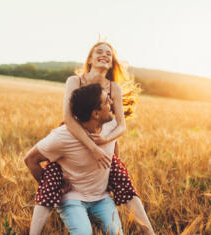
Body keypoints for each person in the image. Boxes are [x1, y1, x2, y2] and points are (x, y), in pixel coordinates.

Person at [27, 42, 155, 234]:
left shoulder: (114, 89)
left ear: (112, 63)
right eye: (99, 52)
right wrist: (93, 148)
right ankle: (47, 214)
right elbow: (68, 119)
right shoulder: (75, 81)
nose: (104, 55)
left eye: (109, 54)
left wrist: (105, 145)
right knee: (53, 174)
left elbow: (120, 125)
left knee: (121, 176)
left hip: (104, 135)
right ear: (89, 59)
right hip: (75, 131)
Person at [25, 84, 123, 234]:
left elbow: (115, 148)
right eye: (106, 101)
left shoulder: (112, 125)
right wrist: (54, 187)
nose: (111, 102)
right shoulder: (62, 137)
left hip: (102, 197)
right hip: (73, 198)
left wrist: (110, 177)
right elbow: (30, 159)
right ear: (96, 114)